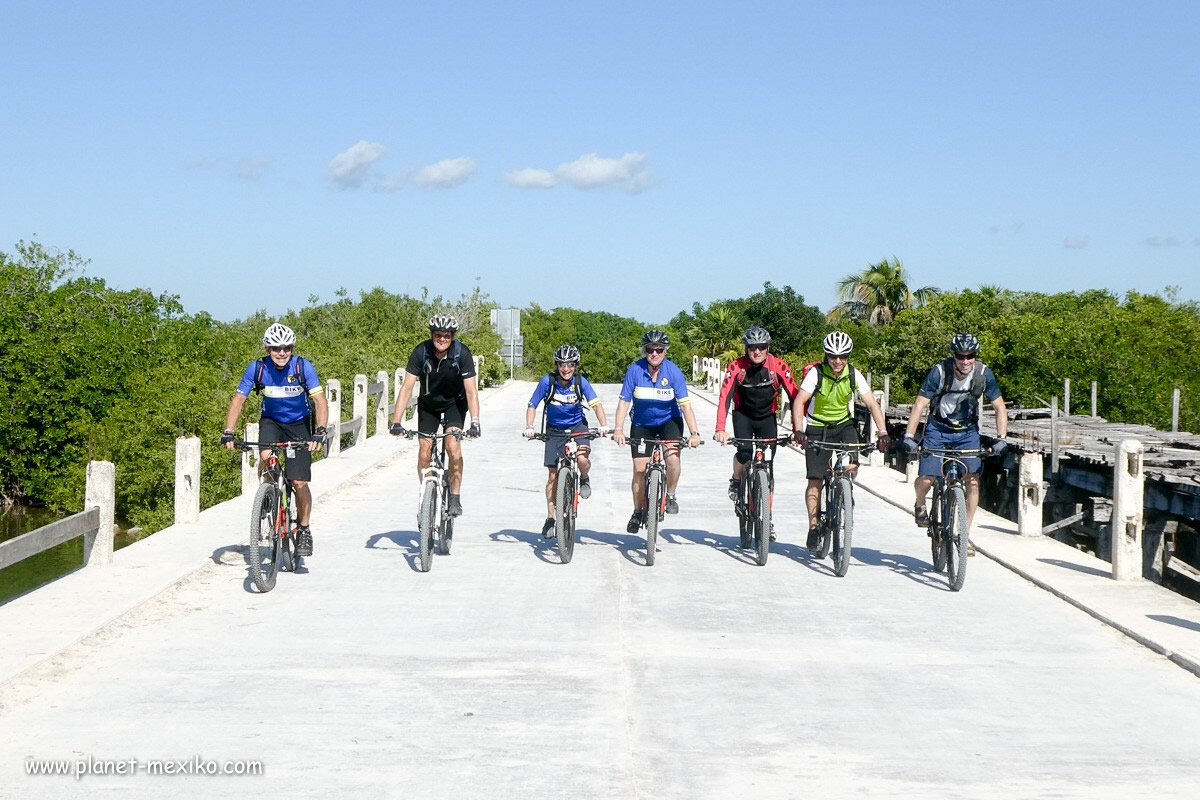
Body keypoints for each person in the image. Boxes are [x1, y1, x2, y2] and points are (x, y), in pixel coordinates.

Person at [222, 322, 328, 557]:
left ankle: (304, 529)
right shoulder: (257, 368)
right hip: (270, 421)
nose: (281, 353)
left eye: (286, 348)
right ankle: (268, 493)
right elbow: (239, 400)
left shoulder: (303, 367)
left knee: (299, 482)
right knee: (265, 456)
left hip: (299, 424)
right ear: (267, 349)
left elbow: (320, 401)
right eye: (276, 348)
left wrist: (320, 431)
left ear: (291, 348)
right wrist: (229, 431)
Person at [902, 332, 1009, 547]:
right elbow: (919, 404)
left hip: (968, 432)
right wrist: (909, 436)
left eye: (970, 356)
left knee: (972, 481)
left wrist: (1001, 438)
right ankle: (920, 504)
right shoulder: (940, 372)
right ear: (954, 356)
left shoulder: (982, 373)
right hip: (937, 429)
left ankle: (964, 534)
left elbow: (999, 406)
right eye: (961, 356)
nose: (966, 361)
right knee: (927, 477)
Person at [793, 331, 889, 550]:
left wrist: (882, 432)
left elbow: (872, 405)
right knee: (815, 480)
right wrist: (800, 430)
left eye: (843, 356)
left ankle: (844, 490)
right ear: (826, 355)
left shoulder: (853, 374)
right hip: (817, 426)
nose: (838, 361)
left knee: (852, 464)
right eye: (833, 356)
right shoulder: (816, 373)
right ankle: (814, 526)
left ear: (848, 356)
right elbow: (800, 402)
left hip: (844, 425)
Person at [714, 327, 802, 541]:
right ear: (747, 348)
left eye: (762, 347)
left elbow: (795, 398)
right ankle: (736, 480)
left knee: (768, 468)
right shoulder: (736, 366)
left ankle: (767, 518)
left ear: (768, 347)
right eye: (753, 347)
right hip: (743, 415)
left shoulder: (778, 366)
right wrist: (720, 428)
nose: (757, 351)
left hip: (766, 418)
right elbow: (725, 396)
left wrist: (797, 430)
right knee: (744, 453)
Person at [389, 314, 481, 518]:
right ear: (432, 335)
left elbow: (471, 392)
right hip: (429, 405)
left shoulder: (462, 354)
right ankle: (427, 497)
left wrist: (475, 422)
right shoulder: (421, 352)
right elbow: (406, 388)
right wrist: (396, 422)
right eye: (438, 335)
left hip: (455, 404)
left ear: (453, 337)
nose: (442, 340)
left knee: (452, 446)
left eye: (447, 336)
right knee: (424, 449)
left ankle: (455, 497)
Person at [612, 330, 703, 533]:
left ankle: (670, 495)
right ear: (645, 351)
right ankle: (637, 511)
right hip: (642, 423)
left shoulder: (674, 372)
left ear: (665, 351)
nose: (654, 353)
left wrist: (694, 433)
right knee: (639, 470)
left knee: (672, 459)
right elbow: (624, 402)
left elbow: (686, 405)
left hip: (669, 421)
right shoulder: (635, 370)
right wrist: (618, 429)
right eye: (650, 350)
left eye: (659, 350)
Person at [523, 345, 611, 538]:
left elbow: (596, 404)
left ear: (575, 366)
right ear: (556, 365)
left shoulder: (581, 382)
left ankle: (585, 479)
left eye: (570, 364)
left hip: (578, 426)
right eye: (562, 364)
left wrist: (604, 425)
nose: (566, 369)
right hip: (554, 429)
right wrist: (529, 426)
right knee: (553, 476)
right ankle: (550, 518)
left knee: (582, 460)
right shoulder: (548, 381)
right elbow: (532, 405)